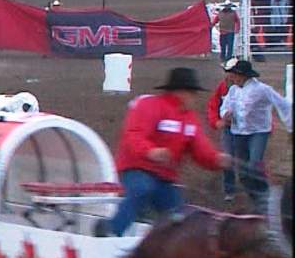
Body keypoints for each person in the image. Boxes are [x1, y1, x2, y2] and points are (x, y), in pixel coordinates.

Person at [99, 67, 231, 237]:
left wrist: (216, 159)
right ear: (180, 92)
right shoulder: (150, 106)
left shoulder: (190, 119)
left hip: (165, 176)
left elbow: (201, 149)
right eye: (192, 93)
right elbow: (134, 134)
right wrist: (151, 152)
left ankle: (170, 244)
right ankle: (112, 230)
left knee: (177, 211)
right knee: (142, 188)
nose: (194, 98)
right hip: (136, 167)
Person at [219, 59, 292, 212]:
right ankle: (259, 199)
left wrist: (290, 124)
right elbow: (225, 105)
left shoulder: (262, 89)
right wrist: (225, 114)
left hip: (258, 132)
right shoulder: (233, 90)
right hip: (239, 132)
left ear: (243, 76)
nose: (233, 78)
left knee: (253, 164)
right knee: (244, 171)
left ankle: (266, 196)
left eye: (236, 75)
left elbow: (282, 104)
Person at [206, 59, 237, 202]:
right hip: (229, 128)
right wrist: (216, 122)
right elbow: (213, 105)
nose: (228, 75)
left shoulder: (249, 87)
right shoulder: (223, 86)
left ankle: (254, 187)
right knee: (228, 157)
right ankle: (230, 190)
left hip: (246, 129)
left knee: (250, 158)